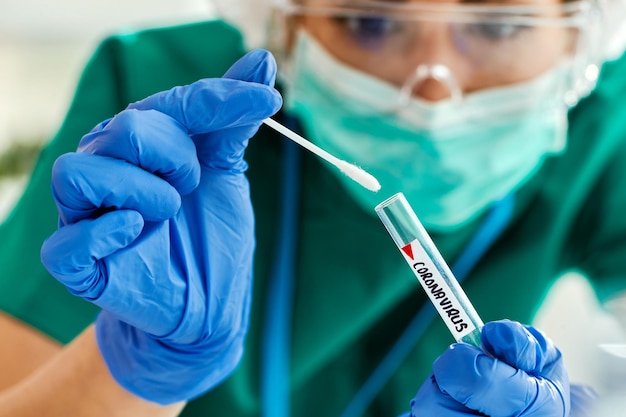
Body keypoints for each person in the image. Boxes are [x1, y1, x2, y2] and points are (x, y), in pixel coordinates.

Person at [1, 0, 625, 415]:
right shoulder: (169, 109)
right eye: (369, 22)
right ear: (285, 26)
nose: (435, 95)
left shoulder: (608, 122)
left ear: (584, 35)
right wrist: (135, 369)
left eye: (501, 25)